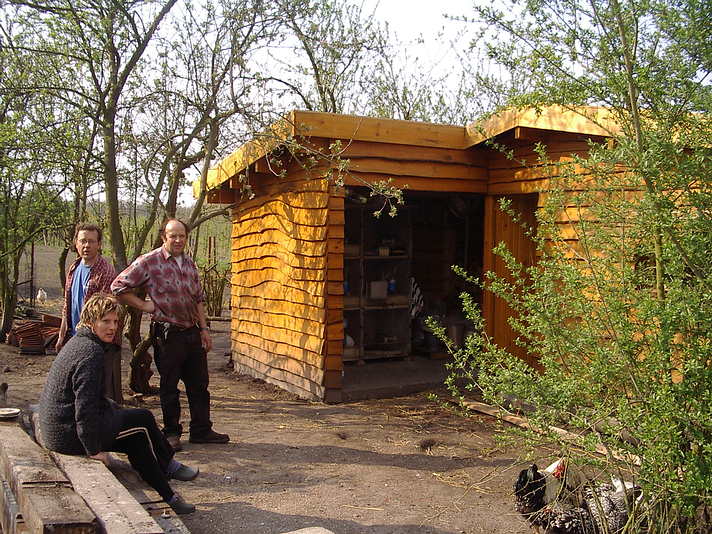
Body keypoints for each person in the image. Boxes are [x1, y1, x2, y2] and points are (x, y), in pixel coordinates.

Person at [39, 294, 198, 515]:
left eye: (115, 322)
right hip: (68, 436)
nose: (112, 327)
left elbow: (90, 398)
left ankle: (169, 496)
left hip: (60, 431)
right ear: (90, 321)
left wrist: (112, 409)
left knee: (136, 438)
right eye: (105, 321)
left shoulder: (79, 341)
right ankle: (168, 466)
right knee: (143, 418)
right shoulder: (90, 353)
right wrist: (94, 450)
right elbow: (84, 408)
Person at [111, 218, 229, 452]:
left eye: (181, 236)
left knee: (199, 384)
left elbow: (198, 300)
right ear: (164, 237)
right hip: (167, 333)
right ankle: (172, 433)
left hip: (191, 331)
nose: (177, 240)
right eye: (172, 236)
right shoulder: (149, 261)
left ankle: (201, 430)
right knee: (169, 386)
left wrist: (204, 329)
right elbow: (118, 286)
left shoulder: (189, 264)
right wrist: (143, 305)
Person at [57, 223, 123, 403]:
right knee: (75, 387)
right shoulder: (74, 266)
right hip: (75, 338)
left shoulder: (105, 272)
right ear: (76, 243)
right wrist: (62, 333)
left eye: (91, 241)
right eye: (83, 241)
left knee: (100, 392)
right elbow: (67, 303)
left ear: (99, 244)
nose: (87, 246)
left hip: (99, 343)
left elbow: (107, 314)